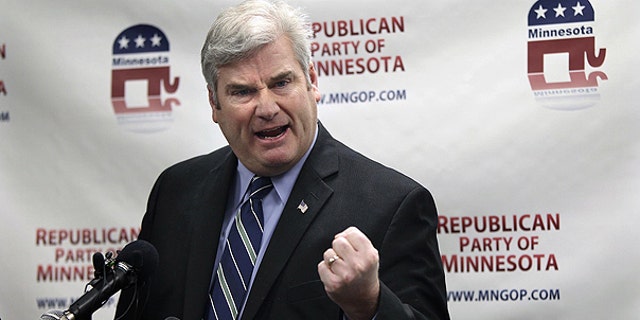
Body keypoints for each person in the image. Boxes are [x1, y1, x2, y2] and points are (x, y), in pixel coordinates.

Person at [115, 0, 449, 319]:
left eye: (281, 83)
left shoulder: (392, 205)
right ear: (214, 103)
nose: (267, 108)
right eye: (242, 91)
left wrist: (369, 305)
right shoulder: (175, 190)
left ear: (312, 81)